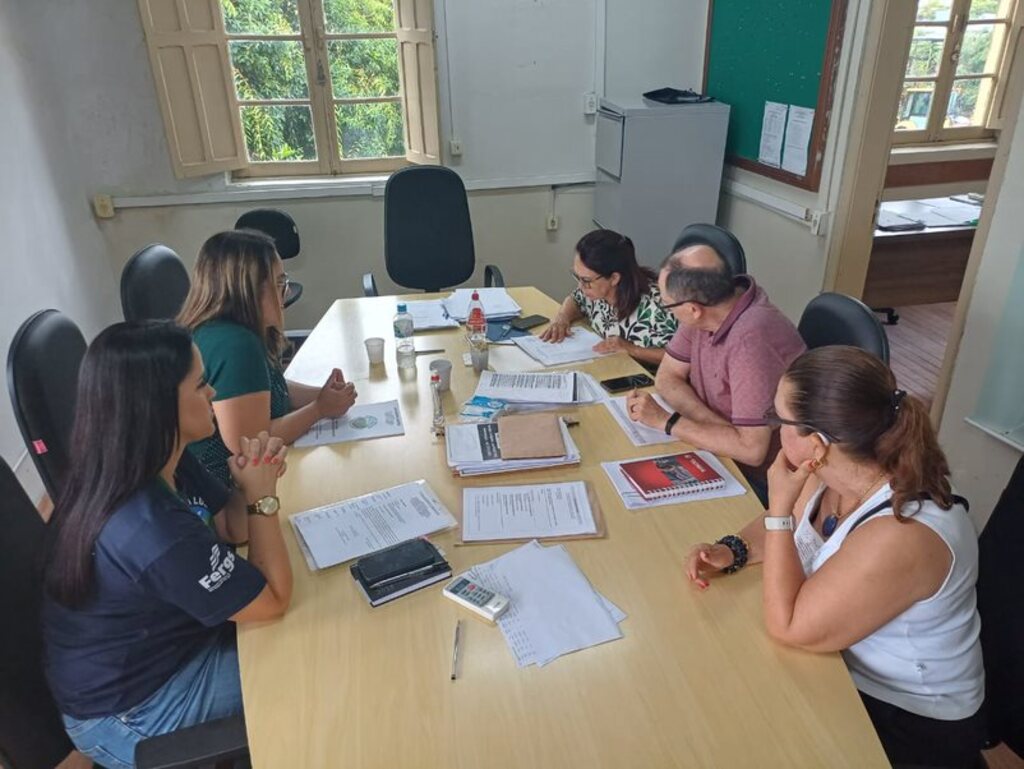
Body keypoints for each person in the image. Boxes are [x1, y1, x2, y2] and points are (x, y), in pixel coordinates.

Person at [685, 346, 985, 768]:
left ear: (816, 443)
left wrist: (776, 517)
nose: (773, 429)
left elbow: (789, 625)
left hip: (907, 719)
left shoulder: (903, 534)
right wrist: (732, 548)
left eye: (779, 420)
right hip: (840, 669)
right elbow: (791, 522)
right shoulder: (839, 473)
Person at [42, 321, 294, 769]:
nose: (213, 393)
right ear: (157, 408)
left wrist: (253, 481)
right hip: (134, 710)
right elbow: (272, 597)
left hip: (156, 657)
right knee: (303, 658)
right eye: (199, 385)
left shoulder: (157, 458)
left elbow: (231, 525)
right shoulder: (149, 527)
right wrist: (263, 497)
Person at [178, 229, 357, 484]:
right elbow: (251, 443)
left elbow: (268, 388)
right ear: (249, 289)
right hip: (223, 491)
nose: (285, 293)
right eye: (280, 283)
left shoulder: (227, 328)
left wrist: (323, 395)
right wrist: (319, 409)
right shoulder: (236, 345)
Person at [626, 244, 804, 494]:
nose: (669, 310)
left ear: (693, 309)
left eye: (667, 305)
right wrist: (718, 429)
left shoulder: (750, 340)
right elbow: (667, 378)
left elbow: (751, 452)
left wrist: (668, 422)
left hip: (762, 481)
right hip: (720, 451)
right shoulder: (710, 306)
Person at [540, 229, 677, 367]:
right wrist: (562, 318)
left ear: (614, 278)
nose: (581, 286)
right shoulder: (594, 292)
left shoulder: (659, 307)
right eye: (577, 277)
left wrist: (631, 349)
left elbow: (683, 357)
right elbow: (575, 299)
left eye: (586, 280)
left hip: (648, 380)